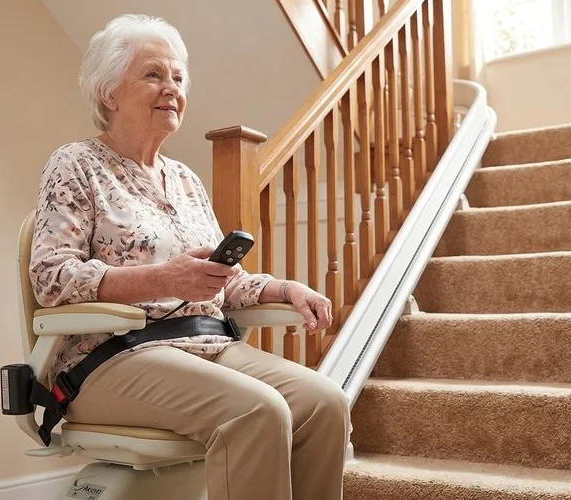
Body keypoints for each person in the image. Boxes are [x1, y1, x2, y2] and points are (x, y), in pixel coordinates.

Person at [29, 14, 350, 500]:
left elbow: (224, 282)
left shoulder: (184, 179)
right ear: (109, 92)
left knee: (325, 403)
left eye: (178, 77)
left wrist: (287, 289)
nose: (171, 88)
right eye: (154, 74)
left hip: (208, 346)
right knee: (257, 410)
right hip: (111, 356)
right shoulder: (76, 164)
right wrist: (164, 279)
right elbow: (52, 278)